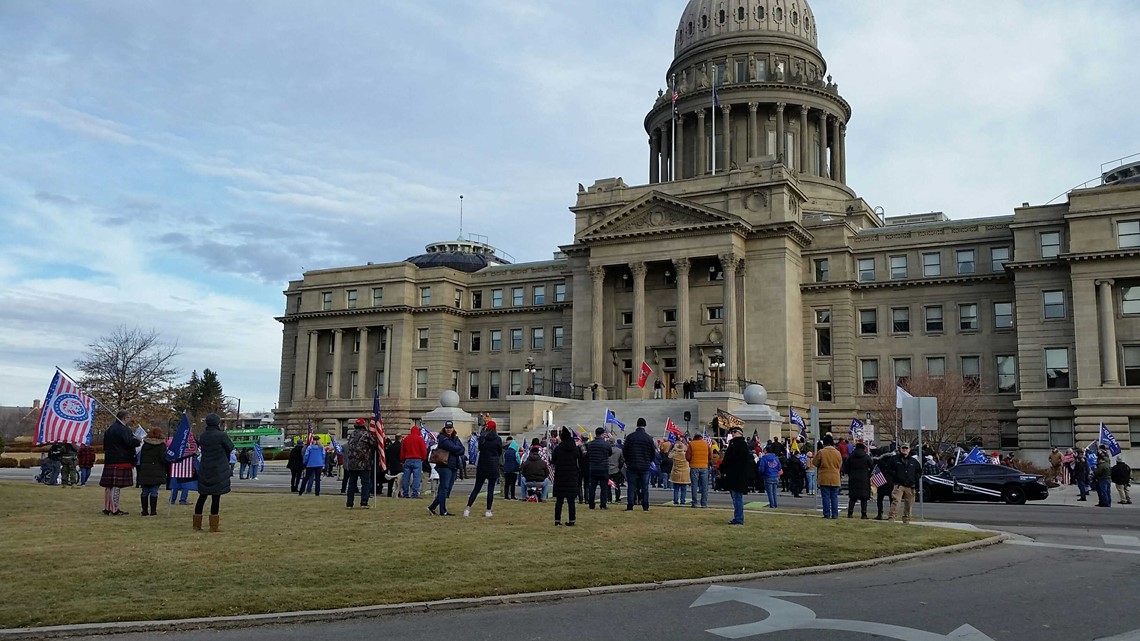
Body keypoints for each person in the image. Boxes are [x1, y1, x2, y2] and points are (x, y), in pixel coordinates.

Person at [194, 413, 234, 532]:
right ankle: (213, 526)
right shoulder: (221, 435)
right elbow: (230, 447)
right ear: (217, 423)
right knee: (216, 497)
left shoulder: (203, 435)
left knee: (202, 496)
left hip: (205, 467)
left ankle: (197, 524)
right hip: (218, 468)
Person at [100, 410, 141, 516]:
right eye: (129, 417)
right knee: (116, 486)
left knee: (109, 486)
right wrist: (138, 440)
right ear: (124, 418)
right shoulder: (123, 429)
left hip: (110, 459)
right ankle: (114, 509)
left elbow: (105, 445)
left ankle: (107, 507)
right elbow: (129, 443)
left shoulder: (109, 429)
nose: (130, 419)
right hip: (121, 459)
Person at [464, 422, 503, 517]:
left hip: (482, 464)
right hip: (493, 464)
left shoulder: (482, 438)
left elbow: (480, 449)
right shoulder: (498, 439)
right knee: (490, 489)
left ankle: (467, 509)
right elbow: (500, 451)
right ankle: (488, 510)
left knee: (476, 488)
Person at [427, 422, 464, 516]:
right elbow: (453, 448)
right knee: (444, 488)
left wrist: (457, 450)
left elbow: (462, 449)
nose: (449, 429)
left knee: (447, 490)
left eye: (450, 427)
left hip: (453, 466)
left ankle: (432, 507)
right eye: (447, 428)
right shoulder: (443, 438)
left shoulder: (455, 437)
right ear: (444, 428)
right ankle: (443, 511)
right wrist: (457, 449)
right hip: (444, 466)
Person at [719, 428, 754, 525]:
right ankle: (737, 517)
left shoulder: (740, 444)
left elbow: (734, 458)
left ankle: (739, 518)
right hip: (733, 474)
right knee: (735, 498)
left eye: (734, 432)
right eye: (732, 432)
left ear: (740, 433)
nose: (732, 434)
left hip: (737, 475)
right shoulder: (734, 444)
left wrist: (724, 465)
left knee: (737, 498)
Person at [344, 418, 378, 509]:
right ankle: (364, 502)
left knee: (351, 484)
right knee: (365, 484)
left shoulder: (351, 434)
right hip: (363, 463)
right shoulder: (366, 435)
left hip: (352, 464)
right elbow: (375, 444)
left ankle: (349, 504)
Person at [623, 418, 656, 512]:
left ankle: (630, 506)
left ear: (637, 425)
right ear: (645, 425)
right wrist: (649, 461)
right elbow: (652, 452)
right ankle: (645, 506)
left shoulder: (630, 437)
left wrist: (628, 461)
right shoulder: (648, 438)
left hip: (632, 465)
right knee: (645, 487)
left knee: (631, 487)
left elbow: (625, 451)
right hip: (644, 466)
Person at [551, 427, 581, 526]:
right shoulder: (574, 449)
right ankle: (572, 520)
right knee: (571, 501)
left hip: (560, 476)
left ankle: (557, 520)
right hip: (572, 476)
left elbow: (553, 461)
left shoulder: (558, 449)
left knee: (559, 501)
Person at [886, 443, 922, 524]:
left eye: (906, 448)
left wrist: (914, 479)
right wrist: (895, 475)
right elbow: (888, 469)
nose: (905, 450)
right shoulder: (894, 459)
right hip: (899, 485)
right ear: (900, 449)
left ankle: (907, 519)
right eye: (903, 448)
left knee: (909, 503)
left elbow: (919, 472)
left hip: (910, 486)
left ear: (909, 449)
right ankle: (891, 518)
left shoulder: (914, 461)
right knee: (896, 502)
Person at [136, 428, 168, 517]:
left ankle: (144, 510)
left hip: (145, 470)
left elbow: (141, 458)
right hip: (157, 470)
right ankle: (153, 511)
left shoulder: (145, 445)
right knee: (154, 491)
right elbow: (163, 459)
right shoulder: (161, 445)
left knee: (145, 491)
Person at [813, 435, 842, 519]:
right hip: (835, 477)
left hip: (824, 476)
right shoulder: (837, 452)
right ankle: (835, 514)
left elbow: (815, 463)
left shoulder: (821, 452)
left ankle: (826, 514)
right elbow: (840, 464)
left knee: (825, 497)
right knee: (834, 497)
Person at [843, 442, 873, 519]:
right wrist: (868, 474)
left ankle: (850, 513)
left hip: (853, 478)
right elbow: (872, 467)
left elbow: (846, 469)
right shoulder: (866, 457)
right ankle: (864, 514)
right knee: (864, 498)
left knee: (853, 497)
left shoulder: (851, 457)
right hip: (864, 478)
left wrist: (850, 473)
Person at [587, 428, 612, 509]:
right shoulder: (606, 444)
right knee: (604, 487)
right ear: (602, 434)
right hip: (603, 467)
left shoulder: (590, 444)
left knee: (592, 487)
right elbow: (610, 453)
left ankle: (591, 504)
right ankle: (603, 504)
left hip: (593, 467)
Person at [400, 426, 428, 498]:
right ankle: (414, 493)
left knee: (406, 477)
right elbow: (424, 451)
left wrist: (402, 460)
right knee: (417, 478)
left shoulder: (406, 439)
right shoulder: (420, 439)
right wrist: (423, 458)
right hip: (417, 459)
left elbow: (402, 451)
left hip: (407, 459)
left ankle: (405, 493)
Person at [687, 432, 710, 508]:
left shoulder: (691, 444)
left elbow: (688, 456)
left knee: (694, 485)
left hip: (694, 466)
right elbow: (710, 455)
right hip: (704, 466)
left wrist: (691, 461)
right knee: (704, 486)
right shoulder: (706, 444)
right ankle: (704, 503)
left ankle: (694, 503)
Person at [873, 448, 896, 520]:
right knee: (891, 499)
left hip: (881, 482)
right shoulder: (893, 461)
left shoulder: (878, 462)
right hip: (890, 482)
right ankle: (891, 515)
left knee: (880, 499)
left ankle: (880, 514)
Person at [669, 440, 691, 505]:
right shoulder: (685, 455)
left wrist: (674, 449)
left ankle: (675, 500)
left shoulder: (675, 454)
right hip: (684, 473)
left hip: (676, 472)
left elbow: (669, 456)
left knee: (676, 489)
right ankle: (682, 501)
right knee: (683, 489)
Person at [607, 438, 625, 503]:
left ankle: (609, 499)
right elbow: (622, 460)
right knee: (617, 485)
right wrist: (619, 467)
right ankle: (617, 498)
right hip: (616, 469)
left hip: (607, 469)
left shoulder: (606, 450)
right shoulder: (619, 451)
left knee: (608, 486)